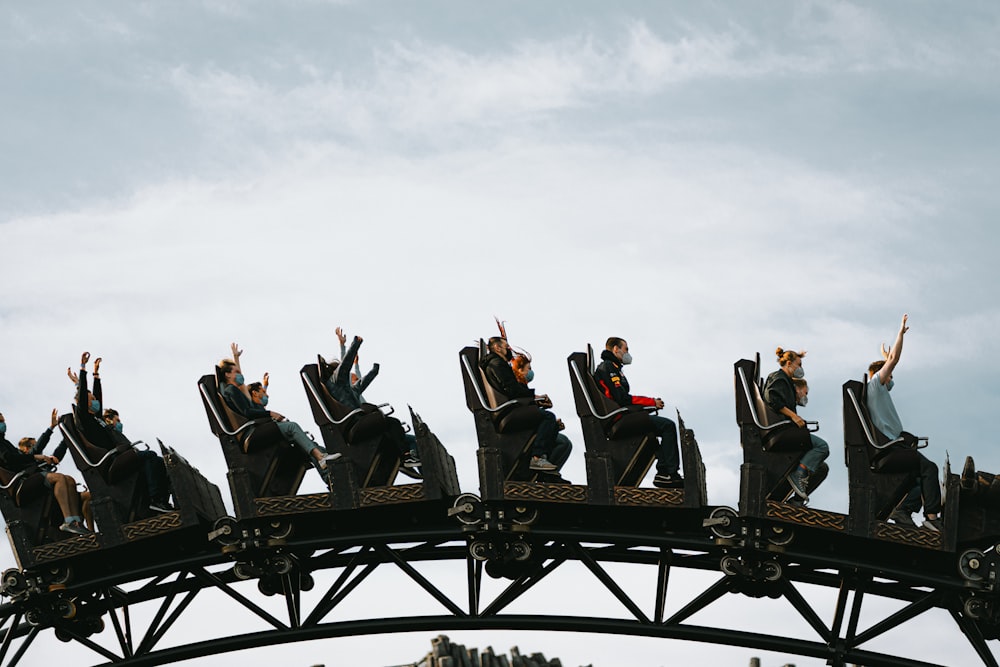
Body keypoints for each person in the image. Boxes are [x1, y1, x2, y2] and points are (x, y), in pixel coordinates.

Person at [866, 314, 942, 531]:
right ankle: (931, 517)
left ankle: (903, 510)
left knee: (920, 479)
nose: (892, 379)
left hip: (893, 447)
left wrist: (884, 358)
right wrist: (900, 334)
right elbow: (893, 361)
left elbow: (888, 364)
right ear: (882, 375)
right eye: (889, 375)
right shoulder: (875, 385)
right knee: (929, 467)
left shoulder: (877, 391)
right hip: (889, 450)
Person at [70, 353, 174, 513]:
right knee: (150, 456)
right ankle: (155, 500)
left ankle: (161, 502)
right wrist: (83, 369)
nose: (96, 401)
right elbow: (83, 394)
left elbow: (97, 394)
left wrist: (96, 375)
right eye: (92, 399)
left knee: (160, 462)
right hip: (111, 462)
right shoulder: (84, 419)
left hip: (119, 457)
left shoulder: (97, 418)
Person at [218, 347, 340, 475]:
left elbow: (243, 391)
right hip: (252, 432)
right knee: (292, 427)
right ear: (227, 374)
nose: (240, 375)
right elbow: (247, 412)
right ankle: (321, 458)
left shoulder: (234, 390)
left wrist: (236, 358)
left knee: (306, 442)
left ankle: (326, 467)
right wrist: (271, 413)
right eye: (236, 372)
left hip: (257, 427)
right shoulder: (231, 391)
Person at [323, 333, 421, 473]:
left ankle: (411, 463)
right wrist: (355, 344)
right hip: (355, 424)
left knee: (412, 440)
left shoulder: (348, 389)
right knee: (392, 422)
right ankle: (405, 458)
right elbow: (345, 365)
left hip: (361, 422)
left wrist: (374, 370)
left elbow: (361, 382)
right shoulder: (334, 382)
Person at [594, 337, 682, 488]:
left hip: (622, 415)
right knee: (667, 426)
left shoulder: (614, 368)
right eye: (626, 349)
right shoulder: (608, 368)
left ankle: (664, 472)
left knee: (657, 429)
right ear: (616, 349)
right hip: (618, 418)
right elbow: (621, 398)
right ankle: (668, 473)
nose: (627, 353)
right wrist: (650, 402)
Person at [0, 411, 90, 535]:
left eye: (3, 421)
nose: (3, 424)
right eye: (0, 422)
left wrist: (68, 436)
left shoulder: (5, 443)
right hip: (20, 483)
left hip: (31, 477)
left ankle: (76, 523)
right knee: (59, 478)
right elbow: (9, 458)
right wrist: (37, 456)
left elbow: (54, 455)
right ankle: (68, 521)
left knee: (69, 479)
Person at [480, 336, 560, 472]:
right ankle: (537, 458)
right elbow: (511, 389)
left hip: (508, 409)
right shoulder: (497, 364)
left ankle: (543, 469)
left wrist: (534, 399)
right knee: (548, 417)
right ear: (498, 348)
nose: (509, 349)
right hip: (508, 412)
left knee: (550, 424)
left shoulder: (495, 363)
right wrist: (534, 397)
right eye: (507, 347)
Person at [763, 348, 830, 502]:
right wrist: (794, 416)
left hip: (785, 429)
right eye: (799, 364)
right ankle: (799, 473)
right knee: (822, 446)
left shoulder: (785, 381)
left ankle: (796, 501)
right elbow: (772, 399)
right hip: (780, 432)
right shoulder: (778, 377)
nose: (801, 369)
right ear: (788, 363)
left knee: (821, 468)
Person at [511, 353, 572, 471]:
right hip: (521, 430)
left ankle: (550, 474)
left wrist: (553, 426)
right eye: (529, 369)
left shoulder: (524, 390)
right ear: (520, 370)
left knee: (565, 443)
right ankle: (537, 457)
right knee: (551, 420)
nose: (531, 372)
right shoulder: (517, 388)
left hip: (532, 426)